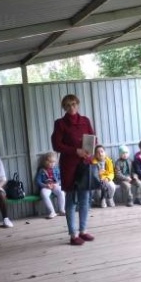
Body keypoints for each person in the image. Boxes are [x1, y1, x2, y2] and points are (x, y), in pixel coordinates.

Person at [51, 94, 96, 246]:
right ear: (64, 107)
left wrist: (91, 151)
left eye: (74, 104)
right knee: (71, 200)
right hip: (69, 165)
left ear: (78, 105)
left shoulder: (85, 121)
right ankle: (73, 234)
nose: (72, 107)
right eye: (68, 105)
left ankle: (83, 230)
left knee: (85, 198)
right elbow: (57, 145)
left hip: (84, 163)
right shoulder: (60, 124)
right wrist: (75, 151)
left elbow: (93, 138)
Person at [34, 152, 66, 219]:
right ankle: (52, 212)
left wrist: (57, 184)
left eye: (53, 162)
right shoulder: (41, 170)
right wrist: (45, 185)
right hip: (46, 186)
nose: (52, 164)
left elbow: (61, 179)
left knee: (62, 192)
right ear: (45, 162)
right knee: (44, 194)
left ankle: (61, 210)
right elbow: (38, 181)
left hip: (55, 185)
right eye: (50, 162)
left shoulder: (56, 169)